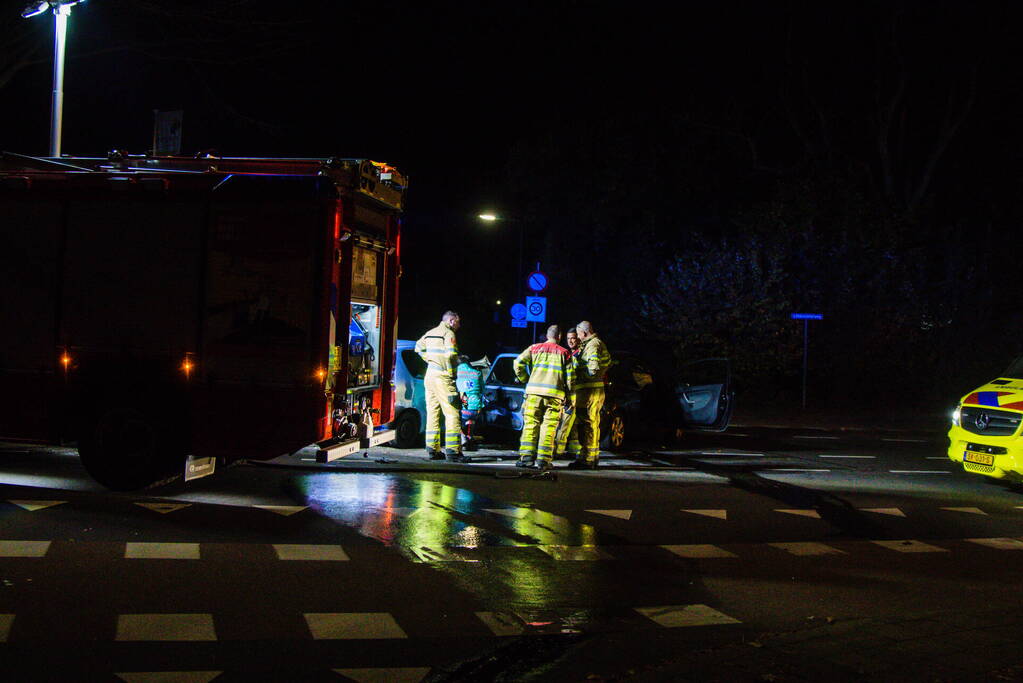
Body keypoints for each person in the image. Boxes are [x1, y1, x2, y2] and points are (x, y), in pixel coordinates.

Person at [513, 324, 576, 472]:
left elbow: (517, 363)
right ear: (559, 337)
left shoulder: (534, 348)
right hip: (554, 396)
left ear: (547, 335)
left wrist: (525, 379)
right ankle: (543, 460)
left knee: (530, 425)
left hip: (534, 394)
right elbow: (570, 379)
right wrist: (571, 397)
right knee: (548, 428)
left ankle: (526, 458)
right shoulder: (565, 353)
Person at [415, 311, 465, 462]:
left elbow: (418, 347)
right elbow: (451, 355)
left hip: (429, 376)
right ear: (451, 321)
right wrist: (452, 372)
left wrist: (431, 360)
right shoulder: (448, 334)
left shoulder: (429, 333)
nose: (459, 325)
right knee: (452, 413)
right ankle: (453, 451)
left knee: (433, 413)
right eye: (457, 322)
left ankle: (432, 449)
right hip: (443, 377)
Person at [569, 320, 611, 469]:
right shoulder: (590, 344)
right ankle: (587, 457)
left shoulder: (593, 345)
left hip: (590, 392)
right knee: (588, 425)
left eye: (579, 334)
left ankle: (588, 459)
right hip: (589, 392)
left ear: (584, 332)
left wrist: (581, 371)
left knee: (589, 425)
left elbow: (593, 368)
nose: (577, 337)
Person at [554, 328, 583, 459]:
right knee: (573, 425)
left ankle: (558, 451)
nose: (571, 341)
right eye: (568, 338)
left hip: (575, 395)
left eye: (573, 338)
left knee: (564, 424)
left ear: (578, 338)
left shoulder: (580, 354)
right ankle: (573, 450)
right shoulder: (568, 354)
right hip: (572, 394)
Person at [456, 354, 484, 451]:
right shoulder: (477, 373)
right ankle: (469, 437)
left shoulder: (456, 372)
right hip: (476, 406)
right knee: (471, 420)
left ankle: (463, 438)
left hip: (464, 404)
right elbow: (482, 389)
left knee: (454, 421)